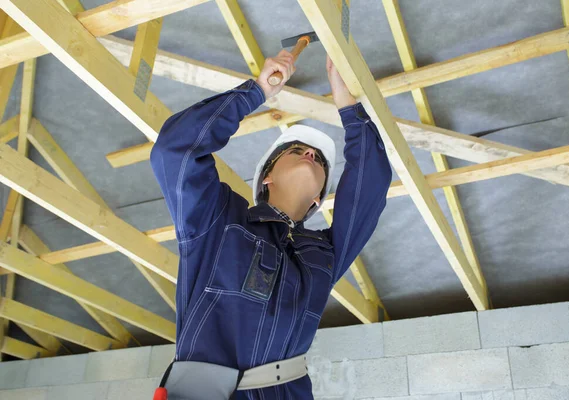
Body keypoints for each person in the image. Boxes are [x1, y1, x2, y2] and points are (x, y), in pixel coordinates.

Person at [150, 50, 392, 399]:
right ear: (266, 179)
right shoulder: (219, 221)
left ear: (317, 201)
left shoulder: (323, 256)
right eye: (297, 151)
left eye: (319, 161)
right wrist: (257, 90)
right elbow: (175, 150)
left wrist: (348, 106)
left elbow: (370, 188)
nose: (311, 154)